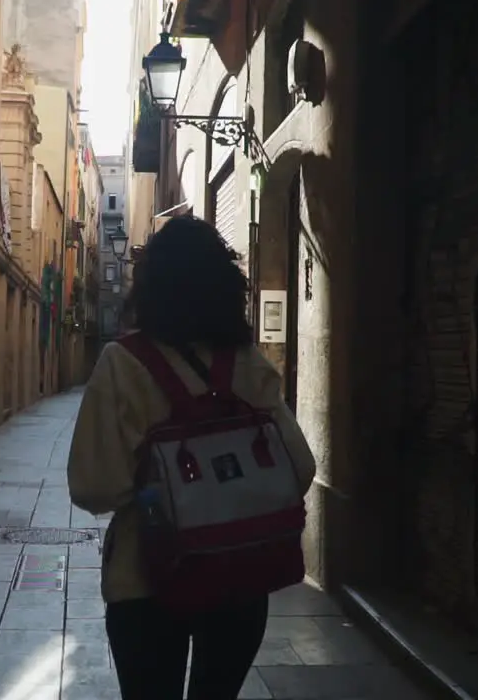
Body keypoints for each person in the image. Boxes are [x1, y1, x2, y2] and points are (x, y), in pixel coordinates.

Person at [67, 214, 317, 700]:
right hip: (241, 579)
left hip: (146, 582)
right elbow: (300, 468)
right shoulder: (247, 363)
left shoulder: (124, 363)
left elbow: (93, 486)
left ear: (150, 286)